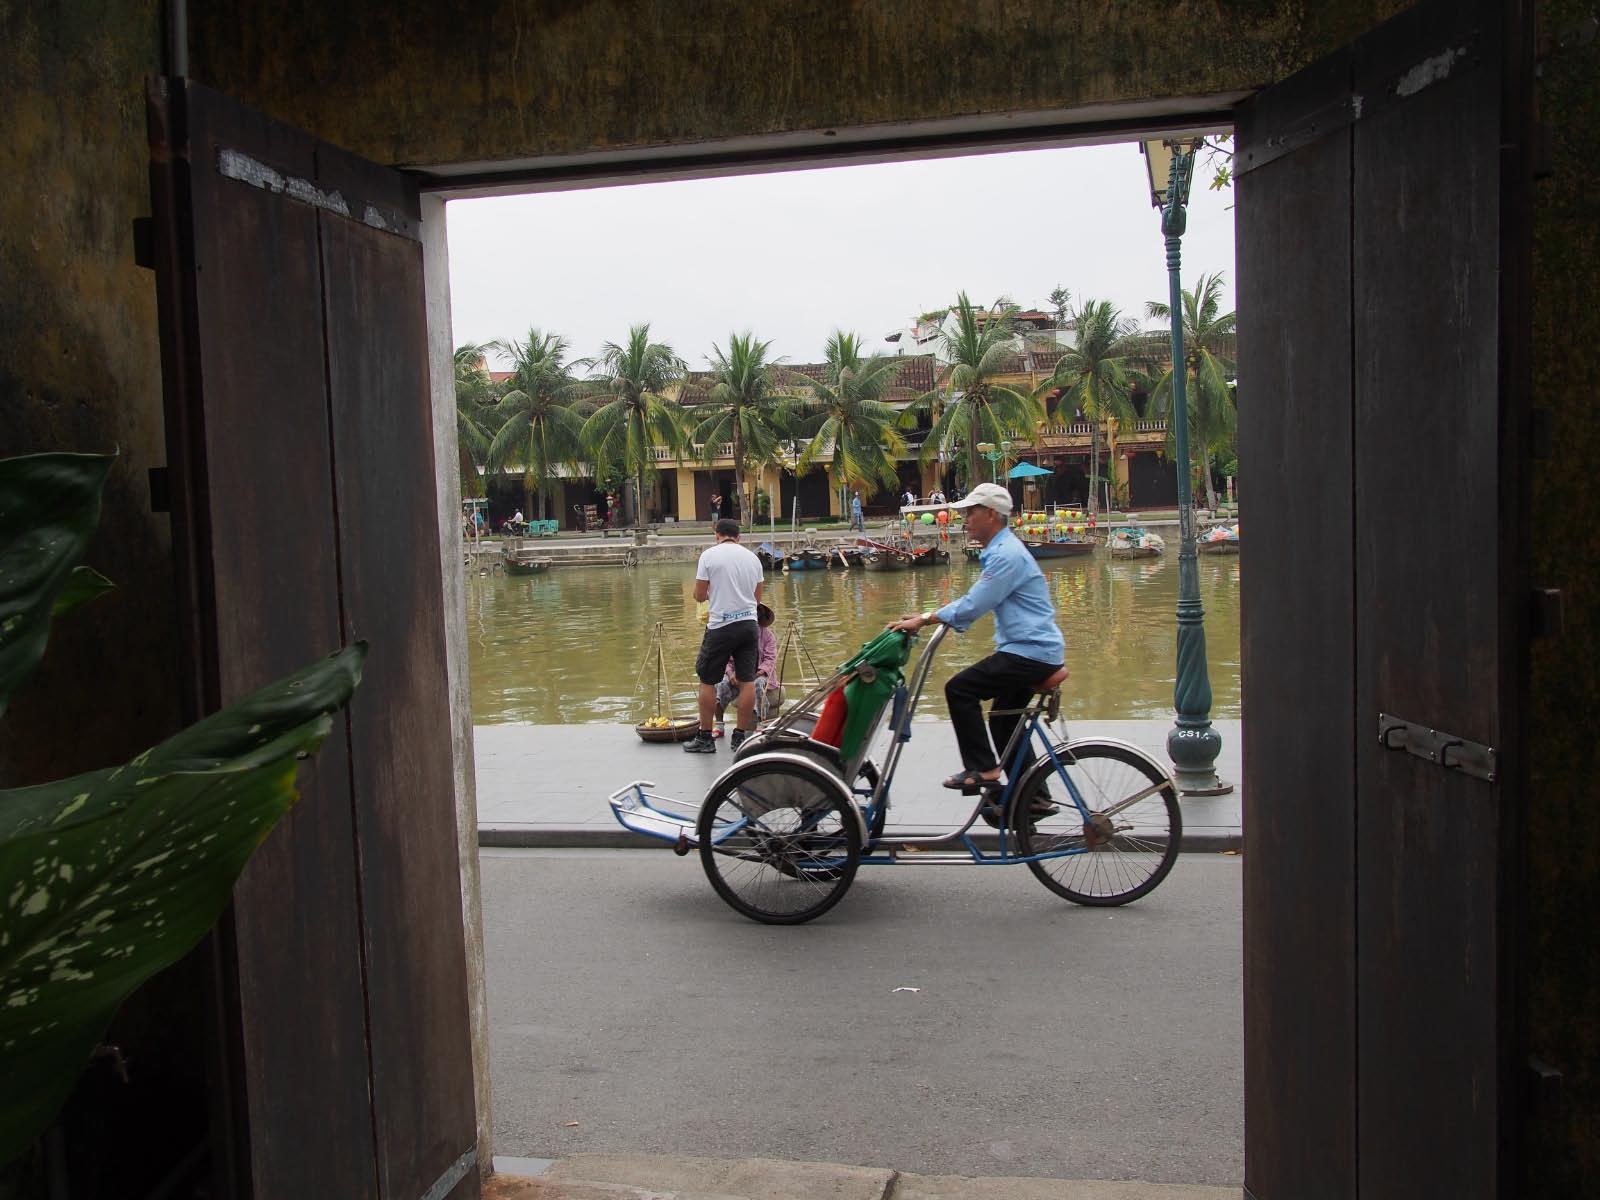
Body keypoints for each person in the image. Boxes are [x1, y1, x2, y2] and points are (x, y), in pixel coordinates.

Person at [889, 481, 1062, 819]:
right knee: (1002, 720)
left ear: (992, 516)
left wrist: (925, 618)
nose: (965, 520)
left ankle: (983, 769)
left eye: (971, 513)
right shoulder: (1000, 551)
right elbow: (974, 601)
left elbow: (975, 604)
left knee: (959, 688)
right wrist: (930, 616)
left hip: (1030, 652)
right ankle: (1035, 797)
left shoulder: (1006, 554)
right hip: (1029, 650)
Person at [684, 519, 764, 753]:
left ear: (716, 535)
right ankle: (740, 737)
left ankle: (705, 738)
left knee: (707, 679)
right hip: (749, 624)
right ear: (738, 537)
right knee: (747, 680)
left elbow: (699, 595)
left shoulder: (709, 556)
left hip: (721, 625)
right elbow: (757, 598)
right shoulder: (753, 558)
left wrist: (710, 593)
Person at [713, 602, 777, 736]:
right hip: (737, 675)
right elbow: (726, 659)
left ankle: (761, 723)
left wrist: (756, 674)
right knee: (721, 684)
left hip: (759, 675)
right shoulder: (734, 635)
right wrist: (731, 674)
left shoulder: (768, 636)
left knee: (758, 685)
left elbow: (770, 660)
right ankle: (719, 724)